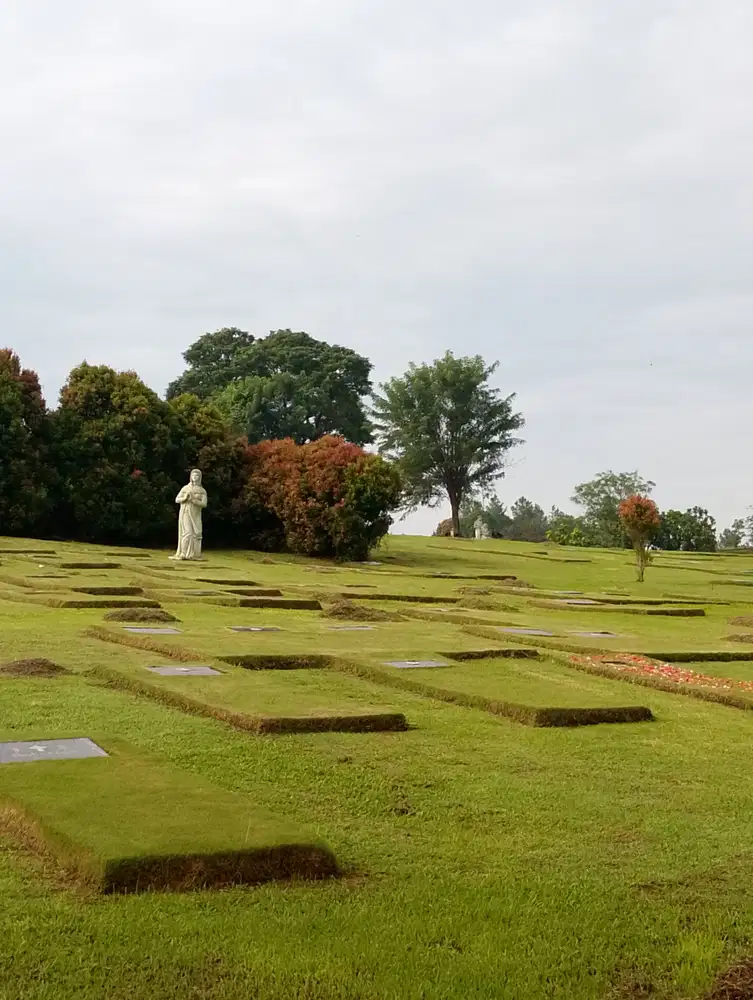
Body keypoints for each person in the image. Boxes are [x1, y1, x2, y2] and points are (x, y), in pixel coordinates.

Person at [170, 469, 208, 560]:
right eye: (193, 475)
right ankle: (183, 553)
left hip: (196, 515)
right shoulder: (185, 488)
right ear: (191, 477)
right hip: (186, 513)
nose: (195, 477)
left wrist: (194, 500)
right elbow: (177, 499)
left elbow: (204, 504)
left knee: (197, 533)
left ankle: (195, 554)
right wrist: (184, 498)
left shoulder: (202, 491)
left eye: (197, 476)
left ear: (200, 477)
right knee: (187, 533)